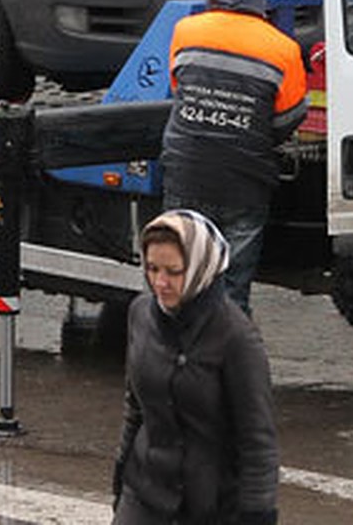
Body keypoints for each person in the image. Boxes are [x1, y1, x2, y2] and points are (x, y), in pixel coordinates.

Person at [160, 0, 307, 313]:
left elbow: (178, 88)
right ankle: (223, 363)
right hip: (245, 180)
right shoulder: (283, 50)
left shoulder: (186, 31)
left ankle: (175, 360)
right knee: (232, 290)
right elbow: (289, 117)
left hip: (186, 172)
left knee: (178, 280)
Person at [112, 209, 279, 525]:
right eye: (152, 269)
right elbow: (135, 409)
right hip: (144, 496)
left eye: (173, 271)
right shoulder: (140, 315)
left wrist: (258, 515)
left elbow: (258, 443)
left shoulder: (237, 337)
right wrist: (120, 477)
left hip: (211, 508)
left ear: (201, 268)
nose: (160, 283)